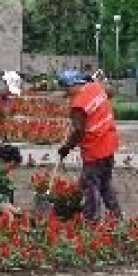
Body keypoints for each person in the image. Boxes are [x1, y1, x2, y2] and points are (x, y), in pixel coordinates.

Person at [56, 69, 122, 221]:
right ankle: (116, 215)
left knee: (91, 187)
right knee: (105, 183)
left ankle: (91, 220)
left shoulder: (78, 105)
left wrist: (66, 147)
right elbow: (110, 91)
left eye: (66, 88)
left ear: (73, 85)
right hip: (109, 143)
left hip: (95, 149)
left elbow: (78, 131)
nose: (66, 93)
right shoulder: (96, 87)